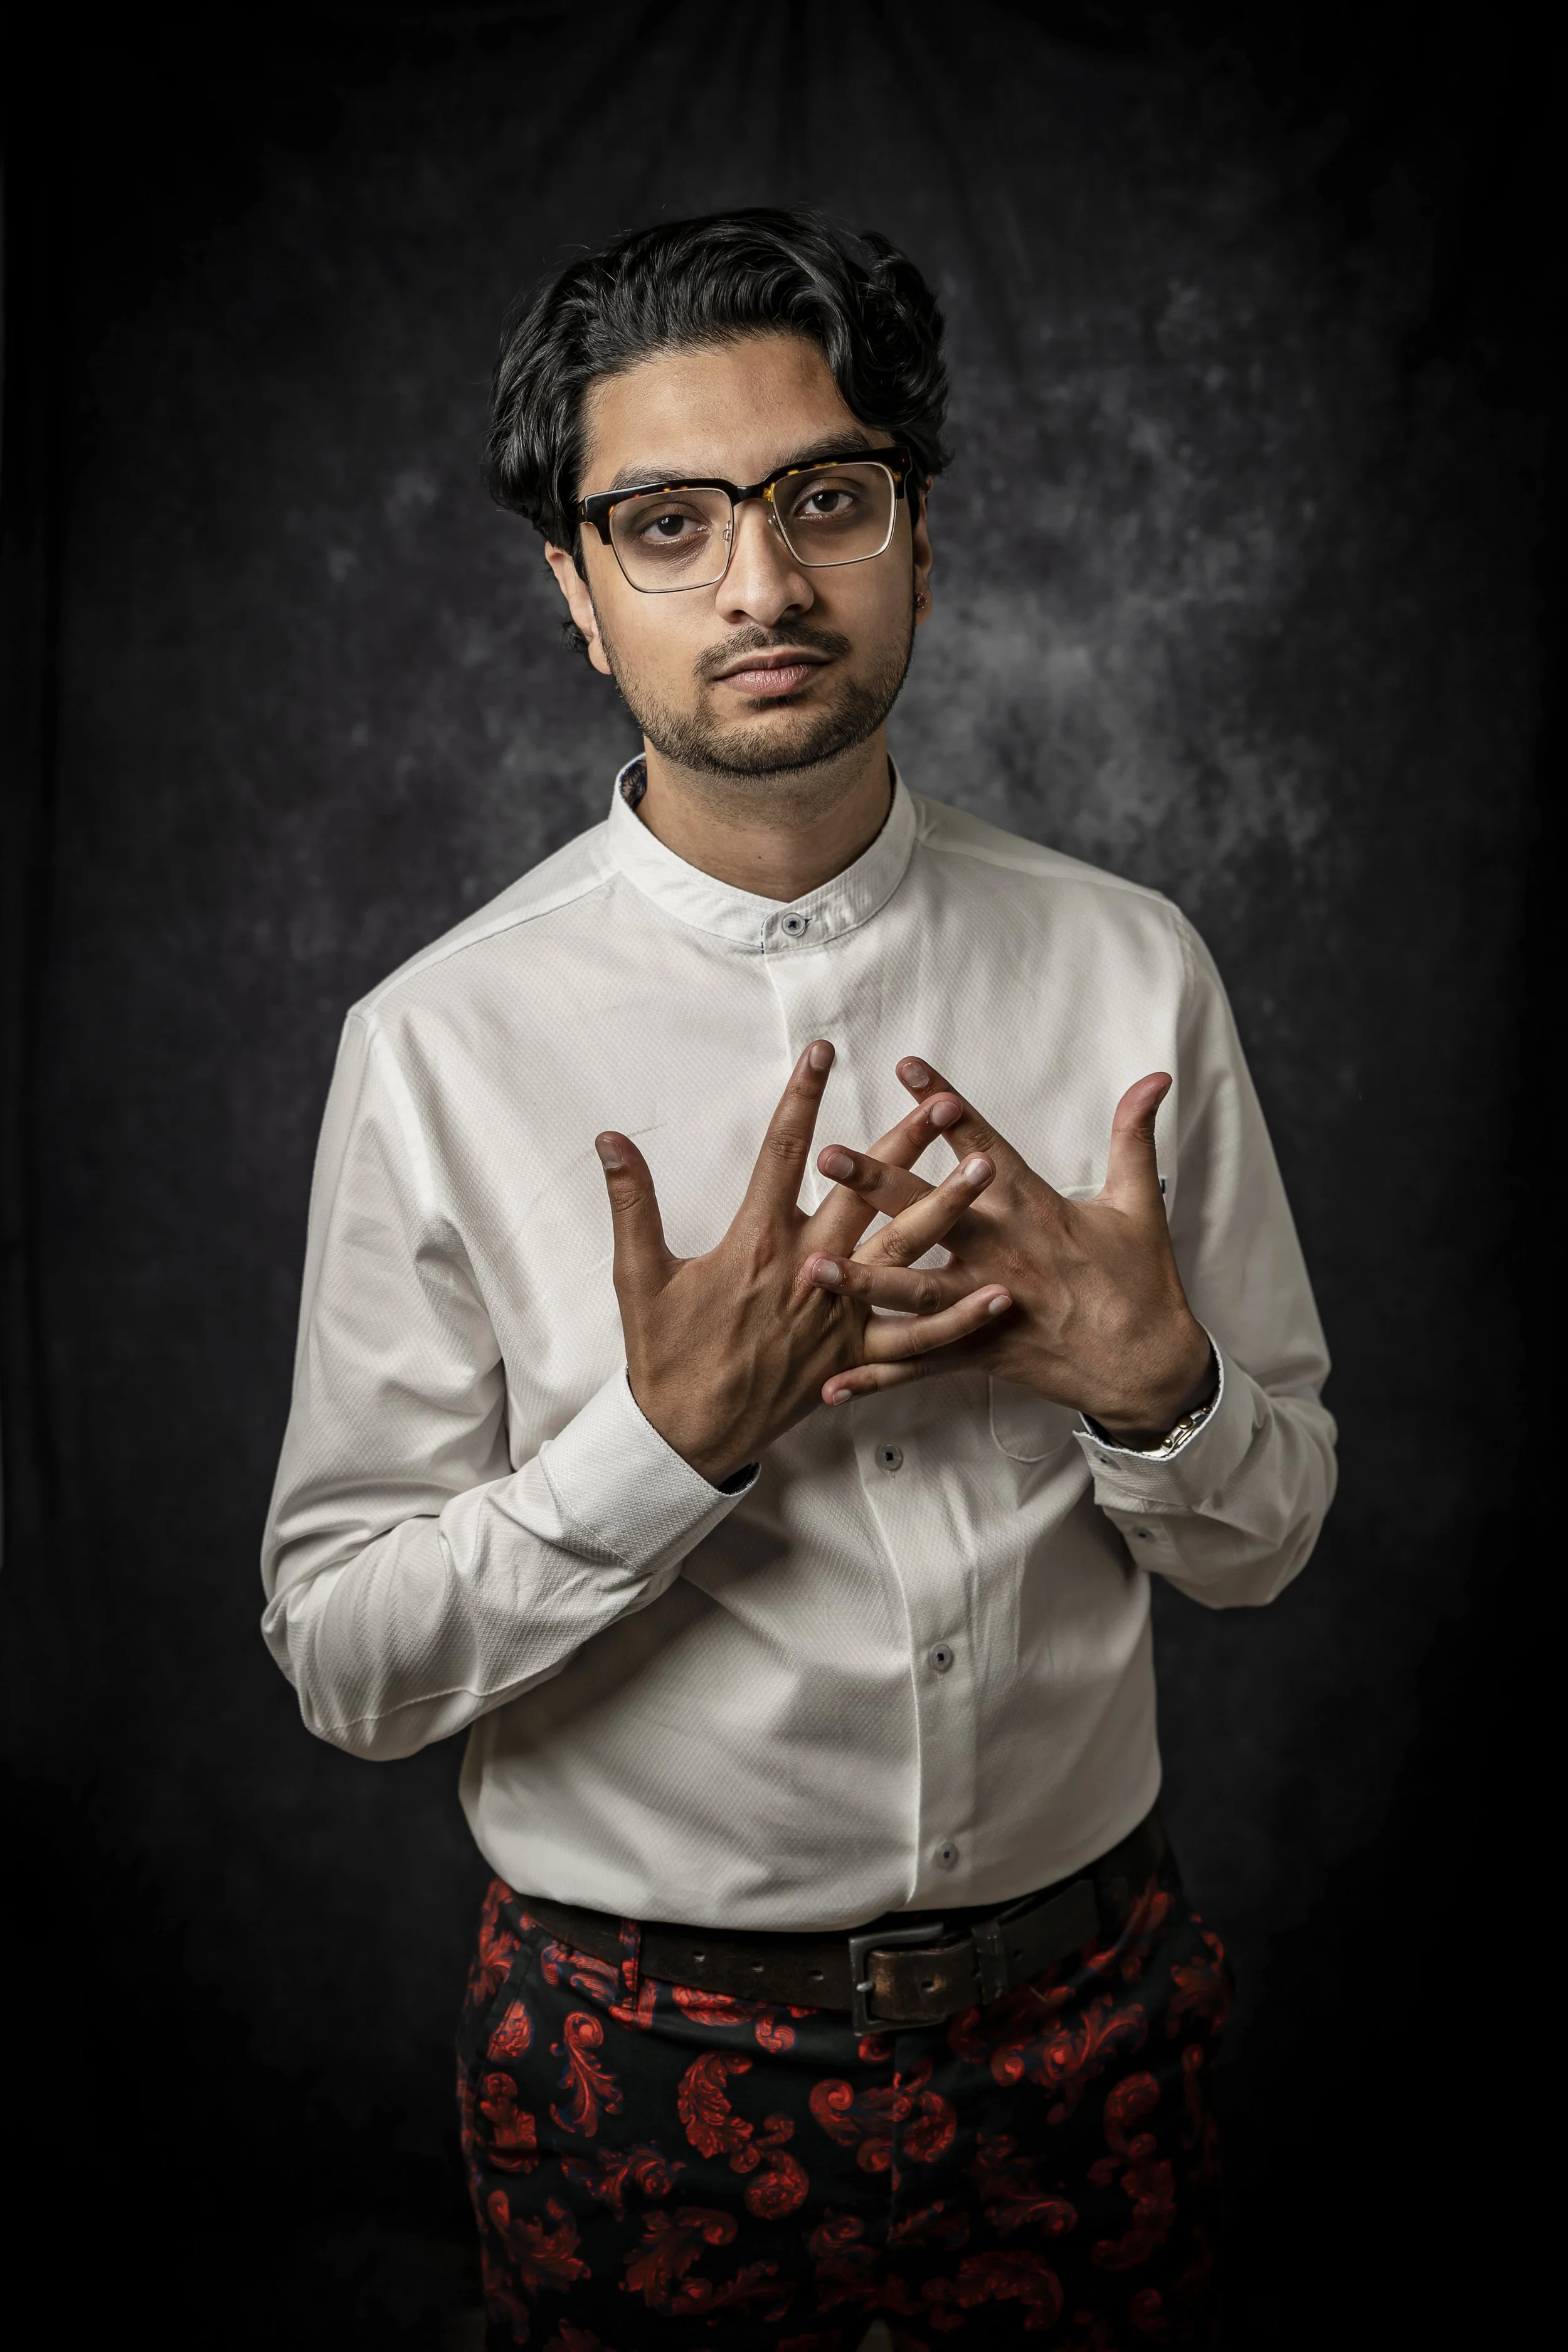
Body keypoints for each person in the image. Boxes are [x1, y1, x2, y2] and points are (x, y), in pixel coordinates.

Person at [261, 208, 1335, 2349]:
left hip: (1097, 2022)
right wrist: (658, 1452)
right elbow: (346, 1655)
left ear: (916, 538)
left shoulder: (1129, 965)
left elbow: (1270, 1534)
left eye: (822, 497)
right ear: (576, 594)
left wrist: (1159, 1392)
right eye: (666, 523)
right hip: (643, 2066)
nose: (758, 583)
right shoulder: (439, 1040)